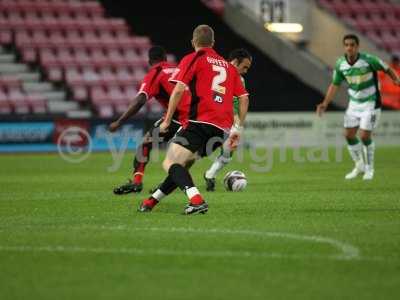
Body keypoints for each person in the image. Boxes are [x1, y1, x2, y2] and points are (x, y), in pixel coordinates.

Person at [138, 24, 249, 214]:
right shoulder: (229, 67)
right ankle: (151, 202)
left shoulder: (194, 57)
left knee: (170, 163)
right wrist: (237, 129)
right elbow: (244, 98)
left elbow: (179, 89)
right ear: (213, 42)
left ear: (193, 41)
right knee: (181, 167)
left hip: (200, 122)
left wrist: (167, 120)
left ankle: (197, 200)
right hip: (222, 130)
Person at [316, 34, 400, 180]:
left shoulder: (369, 60)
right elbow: (334, 84)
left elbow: (386, 68)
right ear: (344, 46)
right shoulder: (340, 63)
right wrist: (325, 103)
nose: (349, 47)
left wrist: (396, 79)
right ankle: (359, 165)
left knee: (364, 136)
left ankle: (369, 169)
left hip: (371, 102)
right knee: (348, 135)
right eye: (347, 45)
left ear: (357, 46)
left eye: (352, 45)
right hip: (354, 103)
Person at [109, 46, 189, 194]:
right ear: (165, 58)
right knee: (183, 157)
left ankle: (137, 182)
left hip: (177, 117)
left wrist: (119, 121)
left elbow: (140, 100)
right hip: (197, 117)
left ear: (149, 61)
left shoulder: (156, 72)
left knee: (146, 143)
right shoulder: (177, 68)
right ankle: (164, 187)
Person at [204, 48, 252, 191]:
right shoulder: (216, 70)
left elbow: (236, 102)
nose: (245, 71)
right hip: (205, 117)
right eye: (244, 67)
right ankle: (169, 183)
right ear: (235, 62)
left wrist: (238, 124)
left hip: (225, 119)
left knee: (229, 148)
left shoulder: (240, 80)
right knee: (189, 154)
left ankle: (210, 175)